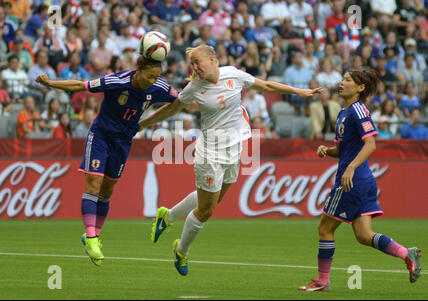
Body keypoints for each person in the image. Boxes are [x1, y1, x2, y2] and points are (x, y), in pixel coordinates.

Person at [138, 44, 321, 276]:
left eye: (198, 62)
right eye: (192, 64)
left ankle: (167, 215)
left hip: (235, 148)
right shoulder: (194, 87)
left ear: (213, 59)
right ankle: (181, 250)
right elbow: (171, 109)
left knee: (211, 200)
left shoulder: (233, 73)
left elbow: (265, 85)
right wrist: (143, 123)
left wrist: (299, 91)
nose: (195, 67)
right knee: (206, 210)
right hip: (210, 152)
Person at [35, 55, 181, 267]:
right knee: (93, 183)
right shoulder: (116, 81)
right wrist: (49, 83)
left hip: (123, 142)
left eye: (156, 77)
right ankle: (92, 239)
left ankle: (93, 236)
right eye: (149, 76)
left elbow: (181, 100)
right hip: (101, 136)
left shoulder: (159, 87)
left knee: (107, 191)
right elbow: (79, 85)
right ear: (138, 69)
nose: (152, 81)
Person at [298, 68, 422, 292]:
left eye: (347, 80)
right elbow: (343, 149)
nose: (342, 83)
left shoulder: (357, 109)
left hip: (351, 181)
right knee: (364, 235)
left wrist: (351, 168)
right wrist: (328, 150)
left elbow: (371, 144)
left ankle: (323, 282)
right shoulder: (343, 113)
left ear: (360, 87)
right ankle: (407, 254)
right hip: (362, 181)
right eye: (342, 79)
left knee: (325, 228)